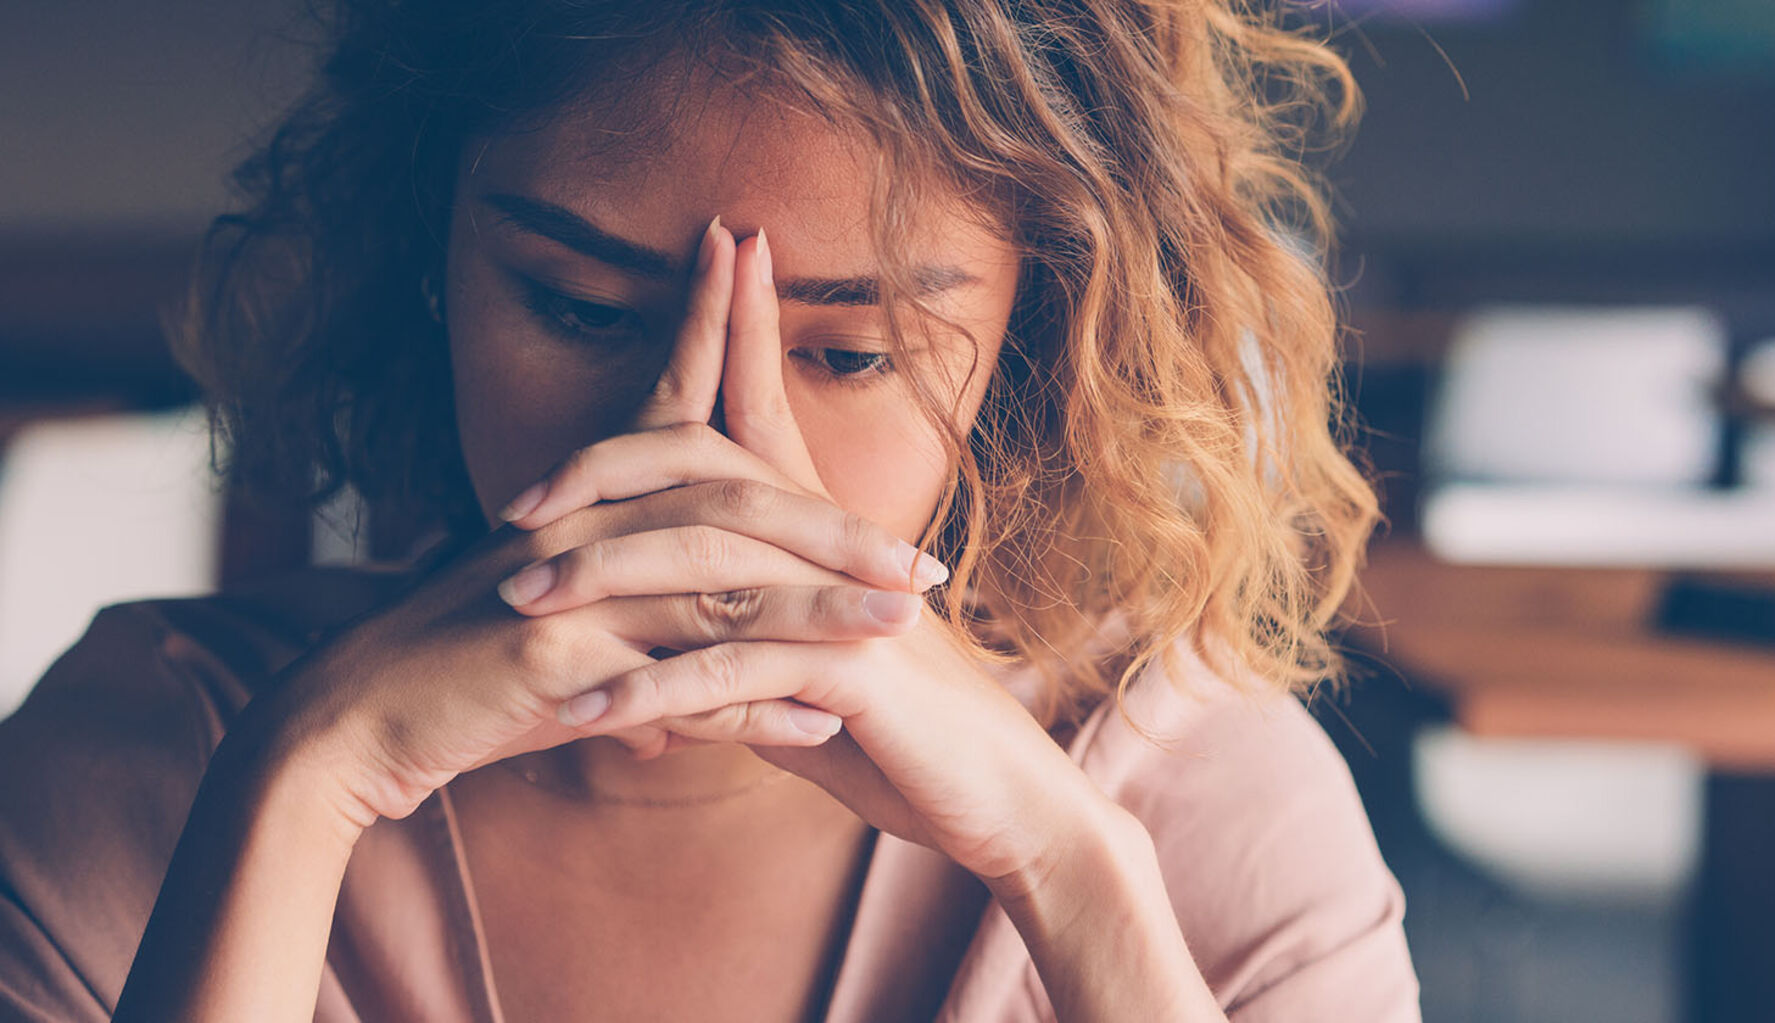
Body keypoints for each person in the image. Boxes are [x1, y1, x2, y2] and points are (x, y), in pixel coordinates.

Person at [0, 0, 1419, 1019]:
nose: (704, 453)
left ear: (1032, 350)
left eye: (850, 353)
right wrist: (305, 789)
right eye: (575, 305)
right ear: (426, 255)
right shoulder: (153, 759)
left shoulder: (1198, 809)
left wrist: (1075, 876)